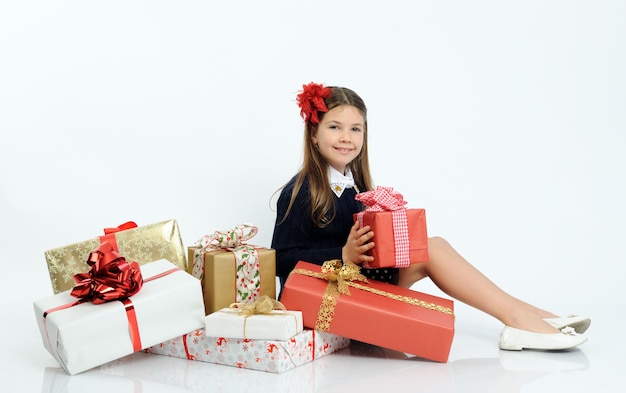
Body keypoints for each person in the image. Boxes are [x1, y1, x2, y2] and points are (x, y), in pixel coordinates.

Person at [271, 82, 590, 351]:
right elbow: (280, 260)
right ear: (314, 134)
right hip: (323, 297)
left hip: (355, 281)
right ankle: (520, 321)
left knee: (433, 243)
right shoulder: (302, 191)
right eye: (335, 127)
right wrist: (342, 254)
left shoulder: (357, 188)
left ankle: (533, 317)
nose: (346, 137)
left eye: (355, 129)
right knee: (432, 249)